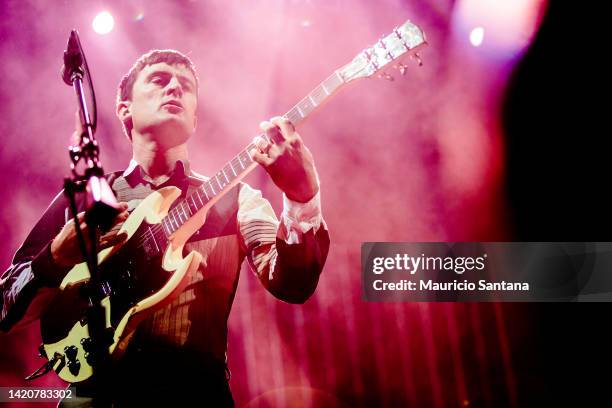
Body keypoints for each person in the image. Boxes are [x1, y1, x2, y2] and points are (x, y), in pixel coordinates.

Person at [0, 49, 330, 406]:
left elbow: (293, 284)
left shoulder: (236, 200)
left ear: (194, 117)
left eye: (186, 87)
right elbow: (5, 307)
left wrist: (301, 199)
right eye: (160, 80)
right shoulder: (86, 201)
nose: (175, 88)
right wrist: (52, 259)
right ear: (125, 109)